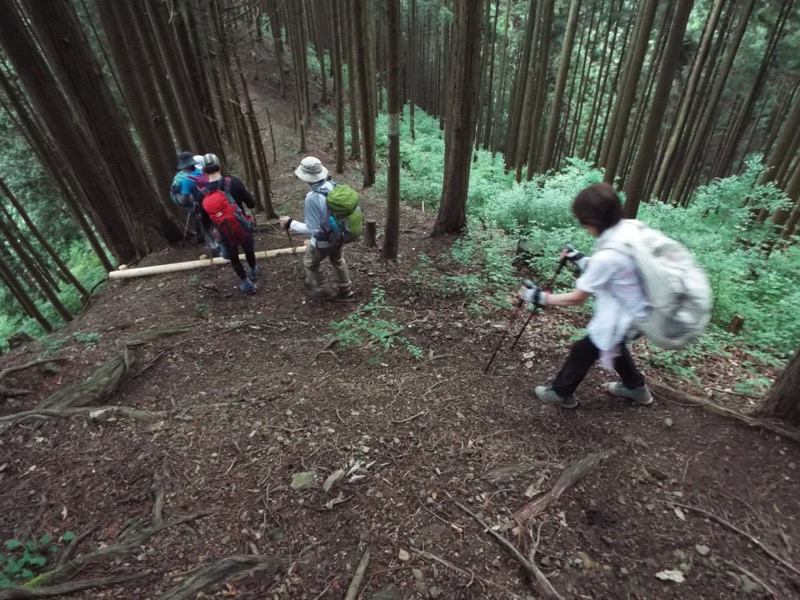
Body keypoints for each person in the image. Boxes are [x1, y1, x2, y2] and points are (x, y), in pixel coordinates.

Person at [518, 183, 652, 409]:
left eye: (584, 222)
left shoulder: (607, 256)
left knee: (585, 349)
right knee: (613, 344)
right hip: (640, 308)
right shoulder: (630, 228)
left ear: (593, 222)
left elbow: (578, 297)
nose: (583, 227)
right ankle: (636, 387)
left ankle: (561, 393)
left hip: (623, 314)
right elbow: (613, 269)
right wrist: (580, 258)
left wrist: (539, 297)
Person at [279, 157, 353, 300]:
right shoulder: (332, 186)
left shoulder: (312, 198)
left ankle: (321, 289)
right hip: (339, 235)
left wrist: (290, 223)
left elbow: (313, 228)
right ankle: (345, 288)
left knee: (310, 263)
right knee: (338, 260)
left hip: (323, 241)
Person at [200, 153, 260, 294]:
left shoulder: (202, 194)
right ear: (220, 166)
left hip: (223, 231)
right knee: (248, 249)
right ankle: (254, 270)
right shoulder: (234, 182)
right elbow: (251, 203)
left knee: (234, 258)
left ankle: (247, 284)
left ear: (203, 171)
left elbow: (204, 220)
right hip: (242, 225)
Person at [171, 151, 215, 249]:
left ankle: (213, 245)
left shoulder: (187, 181)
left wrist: (178, 196)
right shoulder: (203, 173)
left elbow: (185, 199)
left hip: (199, 206)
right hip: (211, 202)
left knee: (204, 226)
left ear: (185, 167)